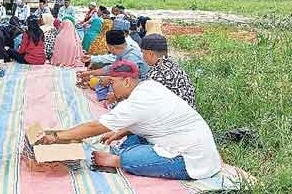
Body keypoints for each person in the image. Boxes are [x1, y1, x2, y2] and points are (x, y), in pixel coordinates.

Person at [39, 60, 221, 181]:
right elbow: (152, 119)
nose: (110, 88)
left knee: (129, 157)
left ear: (126, 81)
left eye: (112, 83)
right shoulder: (149, 86)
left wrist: (57, 136)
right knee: (131, 140)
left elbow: (95, 127)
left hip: (191, 161)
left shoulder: (135, 102)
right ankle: (123, 154)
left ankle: (116, 160)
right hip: (191, 143)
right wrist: (121, 130)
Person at [142, 34, 196, 108]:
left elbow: (146, 104)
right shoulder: (174, 65)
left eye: (143, 53)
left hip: (173, 117)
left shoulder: (156, 75)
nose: (142, 56)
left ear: (150, 54)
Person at [79, 30, 149, 81]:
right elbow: (112, 65)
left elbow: (114, 72)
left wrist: (90, 75)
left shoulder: (131, 57)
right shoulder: (125, 50)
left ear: (111, 47)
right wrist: (89, 72)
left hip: (140, 85)